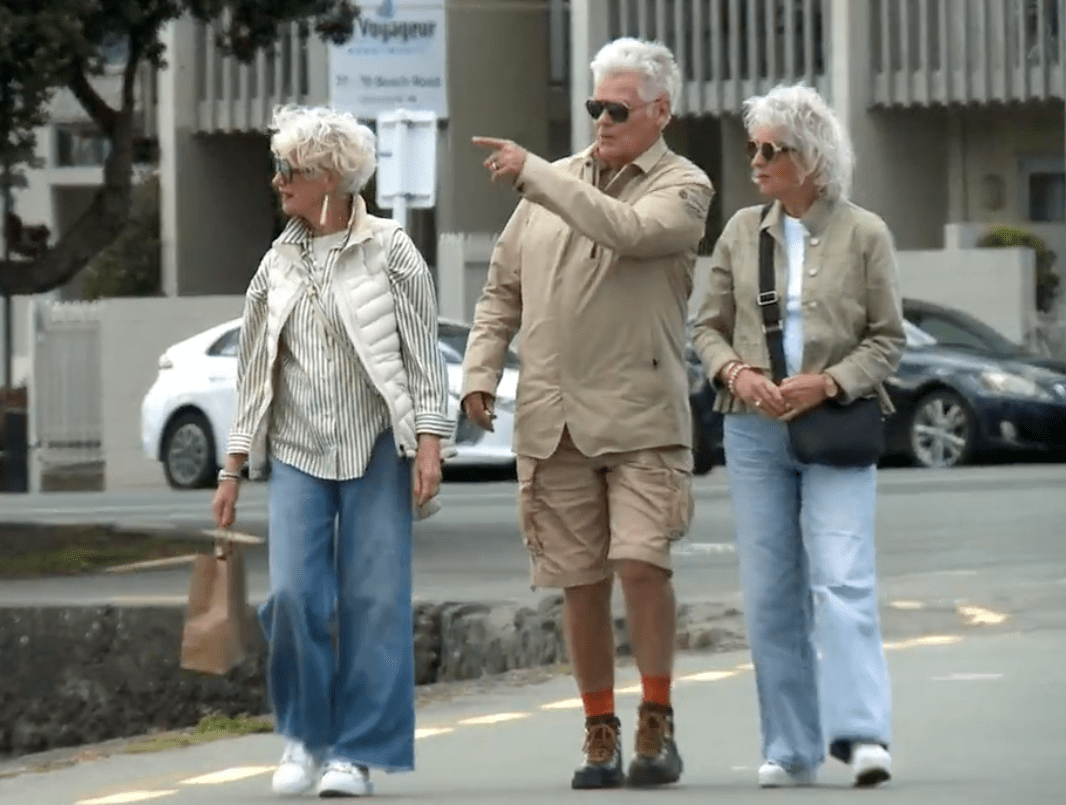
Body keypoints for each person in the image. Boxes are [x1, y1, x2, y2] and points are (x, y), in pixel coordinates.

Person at [462, 37, 714, 790]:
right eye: (593, 107)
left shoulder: (684, 184)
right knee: (577, 580)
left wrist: (533, 173)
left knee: (641, 562)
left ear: (660, 111)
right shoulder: (552, 186)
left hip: (640, 416)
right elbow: (501, 288)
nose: (601, 120)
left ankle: (656, 718)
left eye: (618, 108)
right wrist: (479, 369)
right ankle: (598, 726)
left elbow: (628, 231)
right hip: (552, 415)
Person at [211, 104, 454, 798]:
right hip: (294, 448)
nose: (276, 180)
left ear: (329, 177)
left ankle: (355, 752)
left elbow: (422, 357)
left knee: (374, 599)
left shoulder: (392, 249)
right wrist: (232, 464)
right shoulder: (276, 261)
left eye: (289, 169)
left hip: (378, 444)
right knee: (293, 595)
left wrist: (431, 443)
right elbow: (254, 370)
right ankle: (304, 734)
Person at [691, 83, 905, 789]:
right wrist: (737, 374)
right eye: (752, 148)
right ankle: (789, 744)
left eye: (768, 150)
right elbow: (704, 327)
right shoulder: (739, 231)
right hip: (752, 432)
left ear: (808, 159)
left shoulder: (865, 233)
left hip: (835, 428)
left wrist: (829, 381)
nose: (754, 161)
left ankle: (864, 734)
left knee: (842, 579)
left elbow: (886, 339)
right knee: (771, 593)